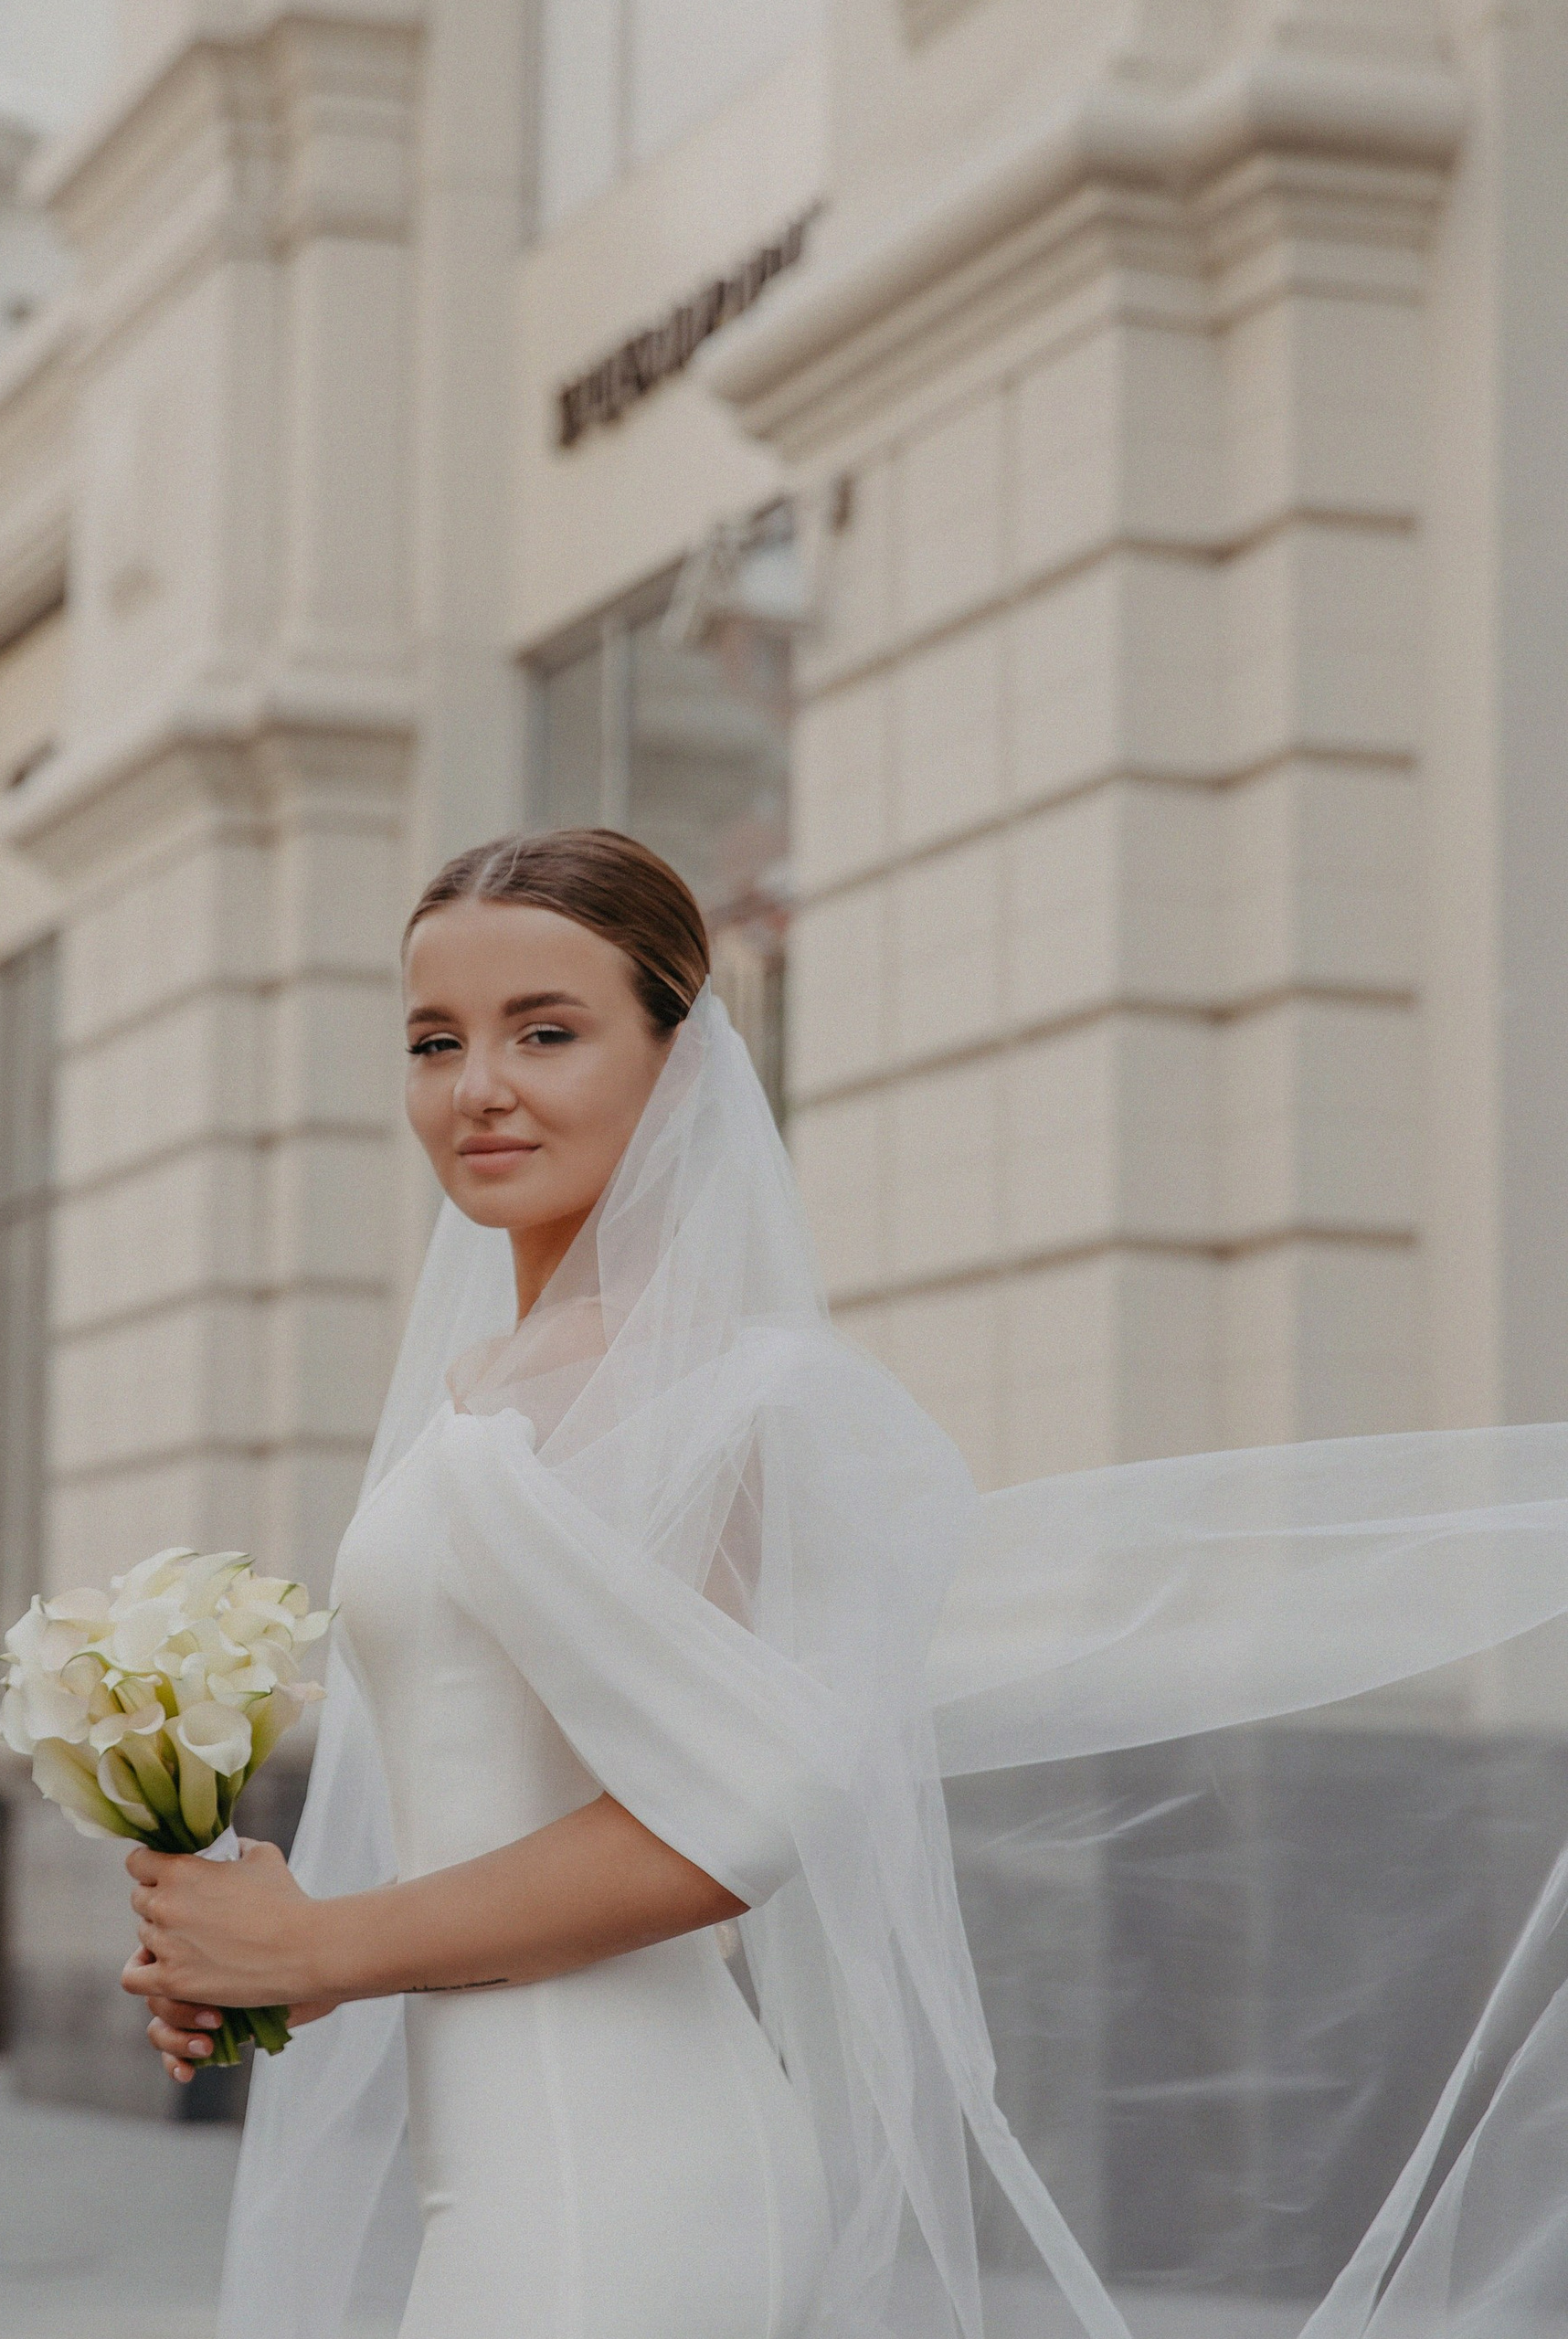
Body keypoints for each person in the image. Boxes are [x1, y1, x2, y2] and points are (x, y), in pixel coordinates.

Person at [120, 829, 1568, 2339]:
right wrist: (262, 1949)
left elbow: (728, 1816)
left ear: (680, 1065)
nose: (478, 1084)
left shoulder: (723, 1396)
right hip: (514, 2158)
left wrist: (328, 1947)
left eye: (545, 1032)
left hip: (615, 2181)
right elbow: (508, 1787)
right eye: (437, 1040)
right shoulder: (489, 1385)